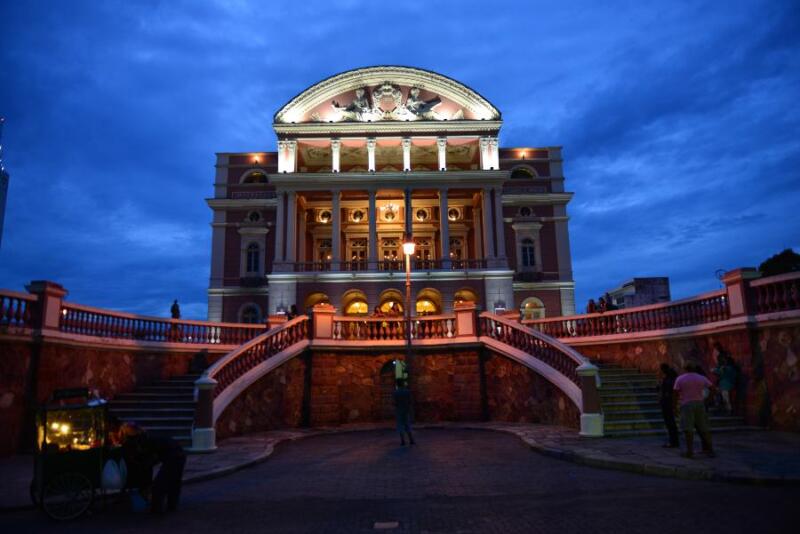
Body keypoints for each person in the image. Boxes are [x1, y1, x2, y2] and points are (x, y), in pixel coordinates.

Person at [117, 422, 187, 513]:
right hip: (178, 453)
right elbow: (154, 455)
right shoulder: (145, 436)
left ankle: (157, 510)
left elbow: (152, 455)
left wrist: (145, 464)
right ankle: (171, 506)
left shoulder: (142, 439)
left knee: (159, 485)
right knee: (173, 482)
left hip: (173, 456)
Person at [673, 362, 715, 458]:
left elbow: (675, 394)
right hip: (699, 403)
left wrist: (674, 407)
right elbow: (713, 389)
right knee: (703, 428)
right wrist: (708, 400)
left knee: (688, 429)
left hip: (686, 404)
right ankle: (710, 450)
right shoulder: (701, 378)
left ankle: (690, 451)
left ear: (685, 368)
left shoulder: (680, 378)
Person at [658, 364, 680, 448]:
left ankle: (673, 442)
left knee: (670, 422)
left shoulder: (668, 380)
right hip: (668, 402)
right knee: (671, 422)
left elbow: (667, 391)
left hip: (667, 402)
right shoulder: (672, 378)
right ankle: (674, 441)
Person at [712, 345, 737, 414]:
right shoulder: (729, 368)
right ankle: (724, 408)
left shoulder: (727, 368)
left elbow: (720, 372)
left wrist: (714, 370)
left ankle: (728, 410)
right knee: (722, 396)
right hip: (725, 384)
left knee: (726, 398)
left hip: (725, 385)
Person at [393, 379, 415, 446]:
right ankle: (411, 439)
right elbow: (410, 401)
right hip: (406, 410)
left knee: (400, 425)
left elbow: (395, 403)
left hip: (399, 410)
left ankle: (403, 441)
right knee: (407, 424)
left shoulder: (395, 392)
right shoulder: (407, 391)